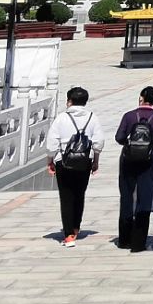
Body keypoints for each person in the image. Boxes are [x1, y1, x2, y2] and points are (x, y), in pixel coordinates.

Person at [113, 85, 153, 252]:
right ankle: (138, 242)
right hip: (148, 161)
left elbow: (119, 137)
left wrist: (131, 143)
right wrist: (149, 141)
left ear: (141, 98)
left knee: (127, 197)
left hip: (128, 160)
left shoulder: (129, 116)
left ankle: (124, 240)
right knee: (145, 199)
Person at [44, 85, 101, 245]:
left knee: (66, 197)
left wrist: (50, 161)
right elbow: (98, 142)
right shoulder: (92, 117)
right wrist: (96, 161)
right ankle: (76, 227)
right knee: (79, 194)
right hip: (85, 161)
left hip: (64, 162)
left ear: (69, 101)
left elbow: (52, 143)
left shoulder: (61, 118)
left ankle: (69, 234)